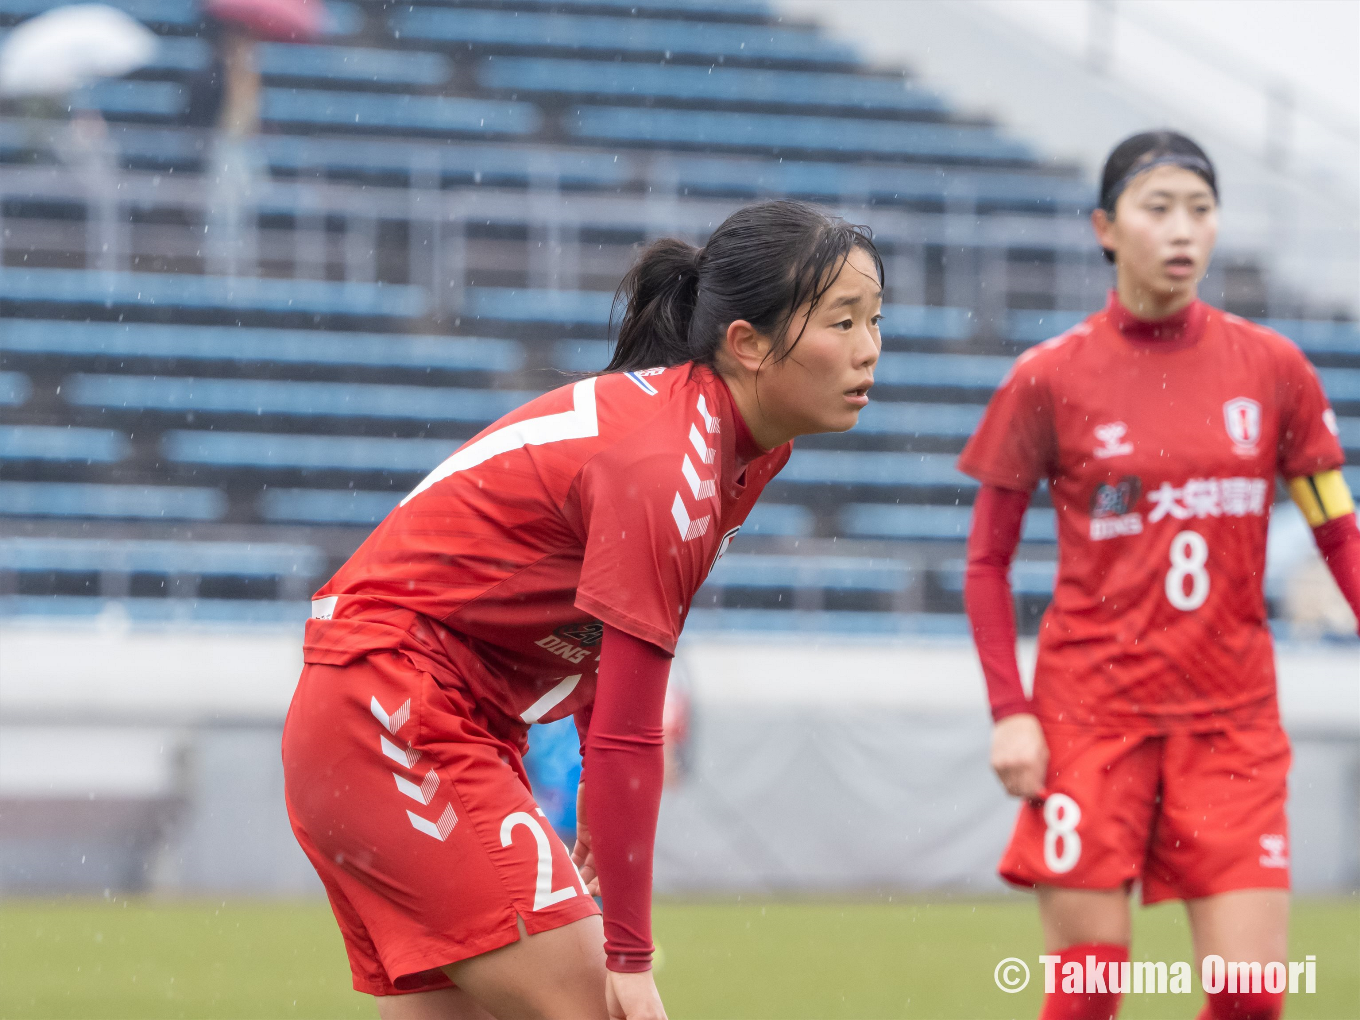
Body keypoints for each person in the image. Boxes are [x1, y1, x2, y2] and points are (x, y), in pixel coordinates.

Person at [282, 199, 883, 1020]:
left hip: (409, 716)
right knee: (604, 1009)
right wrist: (627, 958)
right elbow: (632, 725)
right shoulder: (669, 460)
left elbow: (600, 633)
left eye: (875, 320)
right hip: (394, 710)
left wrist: (598, 791)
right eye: (843, 322)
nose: (870, 351)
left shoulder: (742, 447)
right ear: (745, 344)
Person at [958, 131, 1360, 1020]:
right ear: (1106, 226)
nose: (1183, 229)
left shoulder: (1276, 369)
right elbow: (986, 562)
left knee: (1251, 998)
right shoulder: (1048, 377)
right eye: (1158, 207)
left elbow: (1338, 526)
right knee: (1088, 997)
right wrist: (1010, 713)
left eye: (1201, 209)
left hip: (1232, 723)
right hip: (1088, 724)